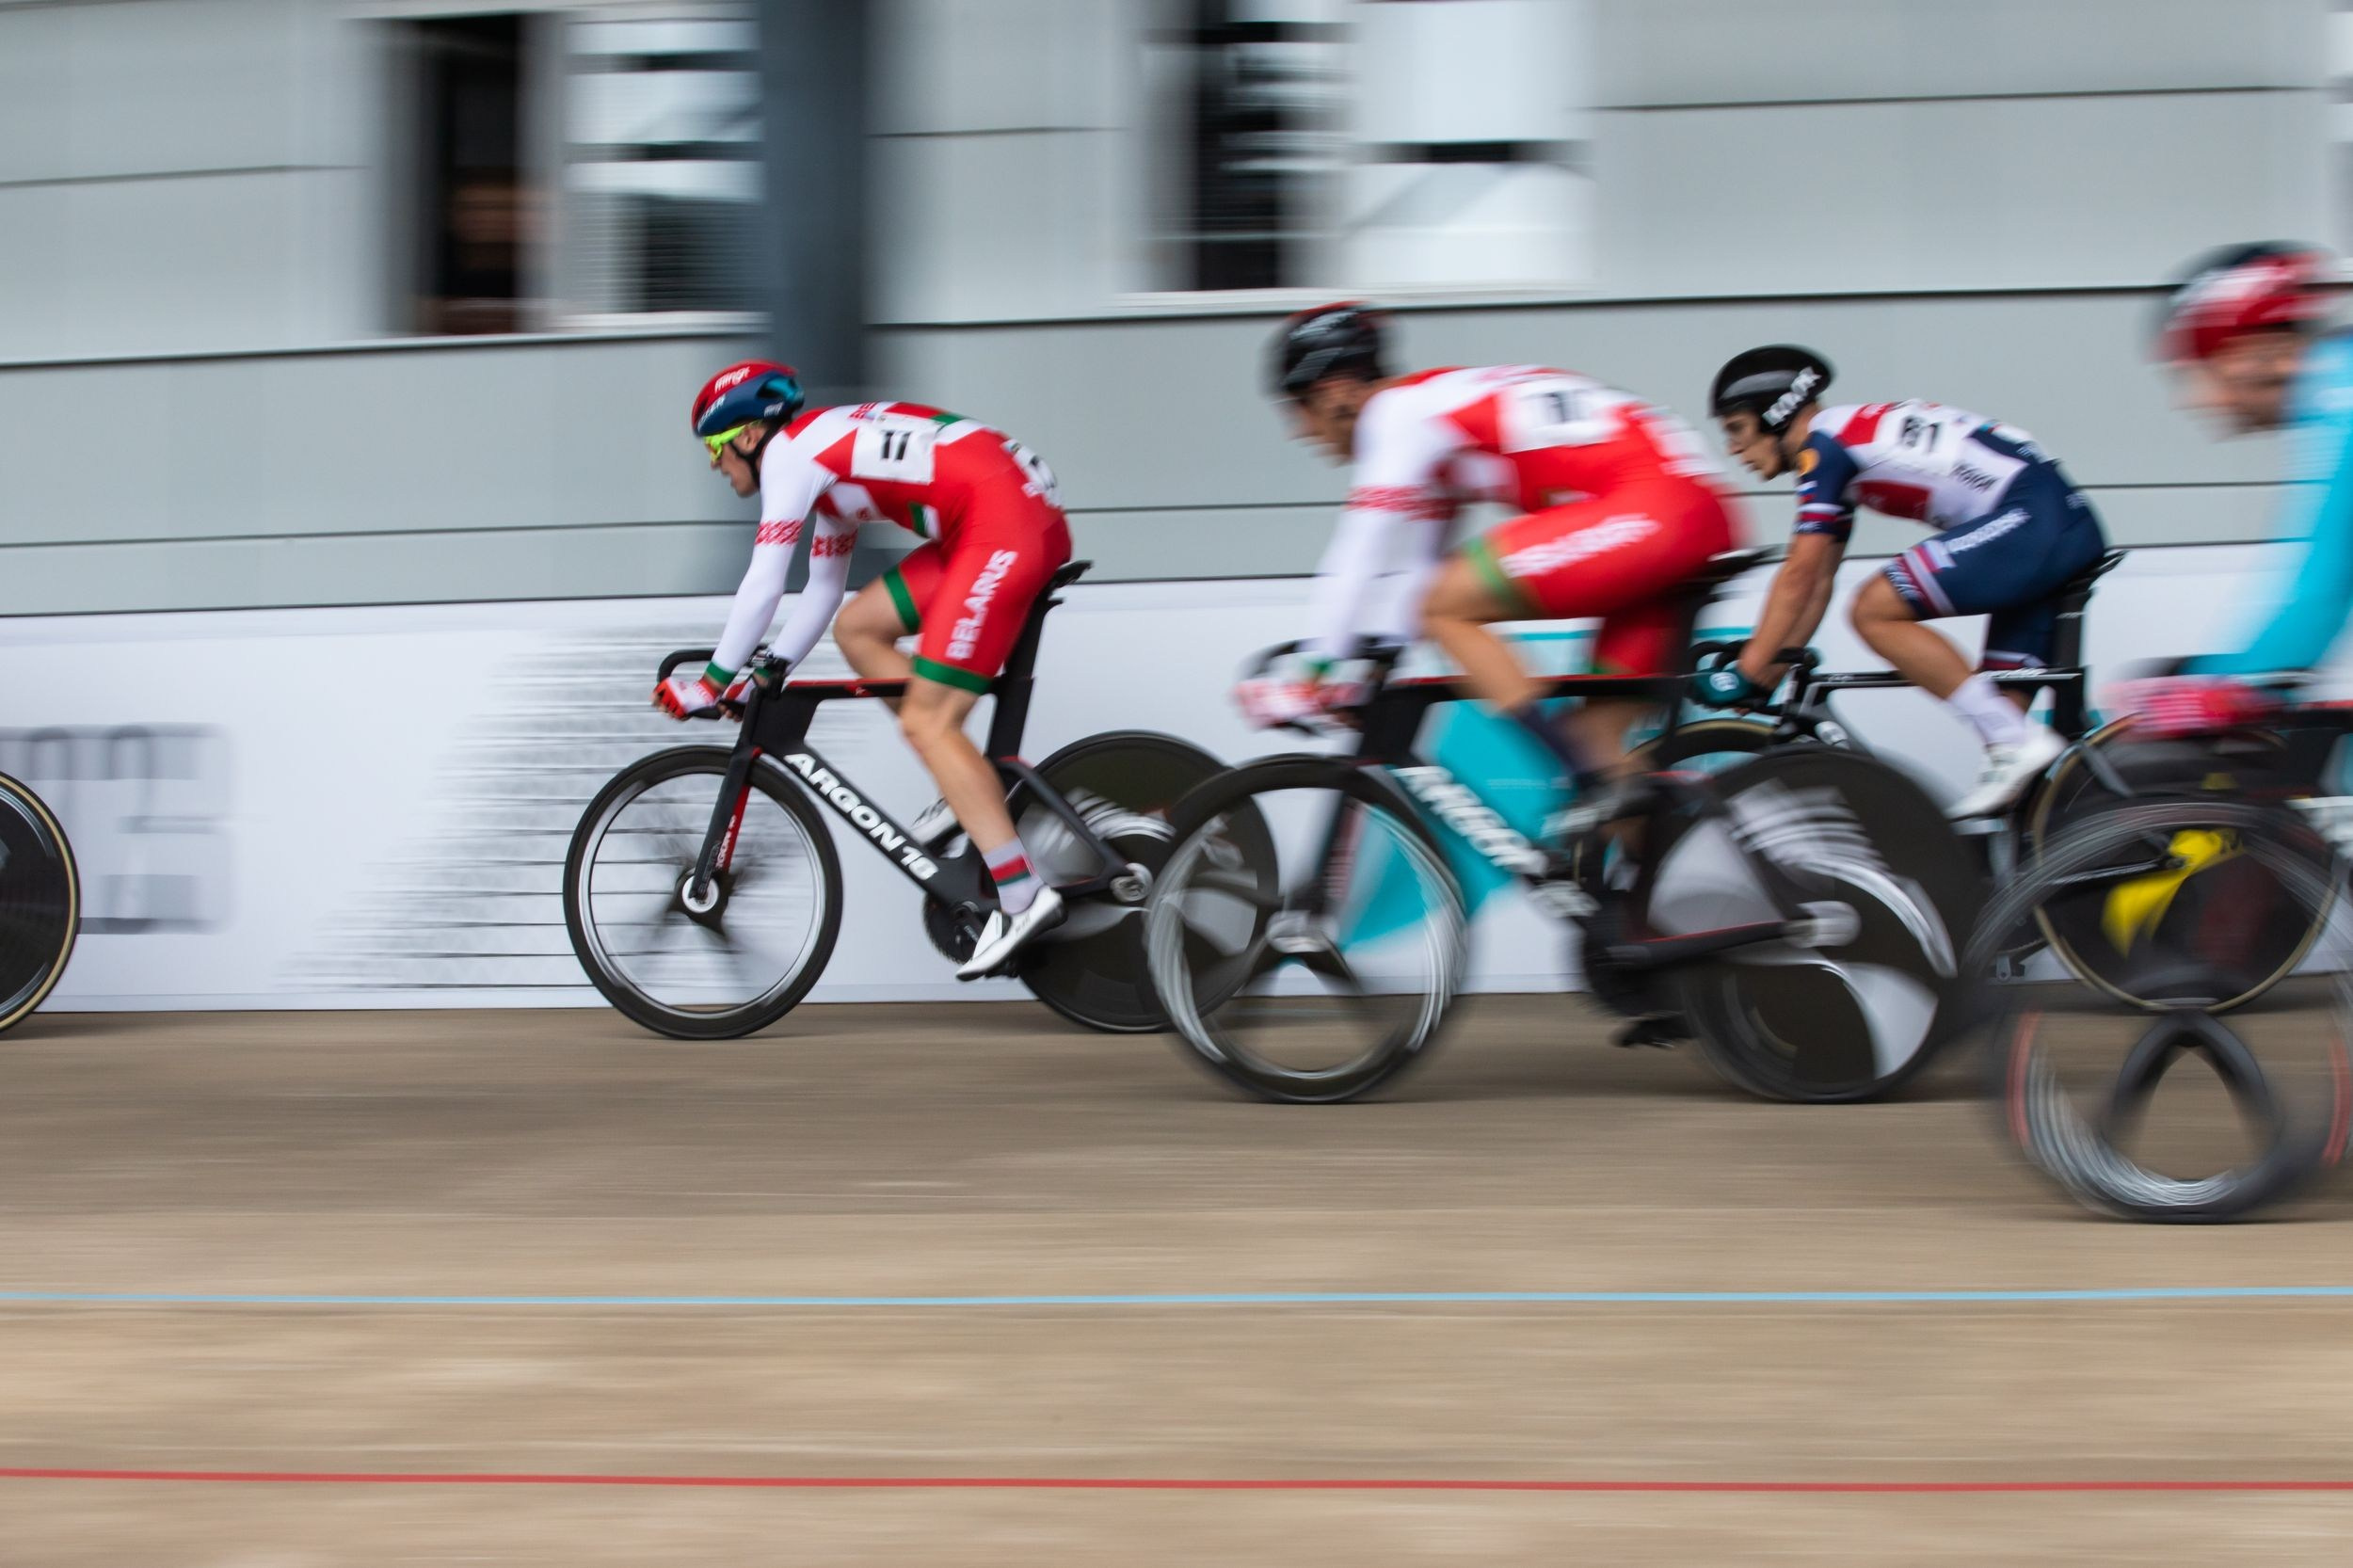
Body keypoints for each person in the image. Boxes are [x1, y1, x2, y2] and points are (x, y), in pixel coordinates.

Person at [663, 360, 1075, 978]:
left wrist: (712, 682)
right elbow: (822, 592)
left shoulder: (790, 459)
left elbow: (763, 583)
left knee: (929, 724)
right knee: (860, 628)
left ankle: (1020, 898)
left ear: (749, 435)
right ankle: (965, 782)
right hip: (996, 517)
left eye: (716, 448)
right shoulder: (824, 473)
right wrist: (771, 667)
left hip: (1003, 525)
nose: (714, 465)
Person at [1248, 303, 1742, 817]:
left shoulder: (1395, 414)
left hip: (1657, 508)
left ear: (1334, 391)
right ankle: (1637, 864)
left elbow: (1359, 553)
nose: (1298, 430)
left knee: (1442, 606)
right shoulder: (1432, 421)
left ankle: (1583, 777)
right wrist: (1373, 662)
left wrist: (1313, 669)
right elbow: (1414, 569)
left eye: (1297, 407)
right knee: (1601, 748)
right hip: (1678, 510)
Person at [1702, 347, 2108, 817]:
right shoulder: (1839, 441)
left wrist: (1749, 669)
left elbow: (1800, 572)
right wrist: (1770, 669)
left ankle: (2016, 745)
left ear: (1775, 415)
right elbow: (1818, 582)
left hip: (2035, 520)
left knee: (1873, 609)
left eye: (1736, 429)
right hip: (2046, 520)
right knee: (2007, 740)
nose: (1732, 449)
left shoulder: (1822, 449)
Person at [2150, 243, 2349, 681]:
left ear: (2247, 352)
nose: (2189, 400)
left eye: (2196, 370)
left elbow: (2321, 592)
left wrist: (2218, 686)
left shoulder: (2339, 397)